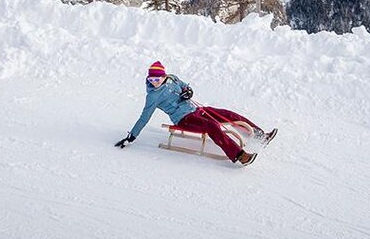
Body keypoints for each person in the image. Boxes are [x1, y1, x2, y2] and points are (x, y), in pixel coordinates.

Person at [114, 61, 276, 166]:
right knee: (212, 126)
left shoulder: (173, 78)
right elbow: (144, 118)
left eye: (157, 79)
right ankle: (240, 156)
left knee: (227, 114)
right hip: (184, 119)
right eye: (151, 80)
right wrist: (131, 137)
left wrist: (188, 92)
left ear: (164, 76)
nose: (154, 82)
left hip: (197, 109)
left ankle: (260, 135)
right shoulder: (152, 96)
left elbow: (186, 86)